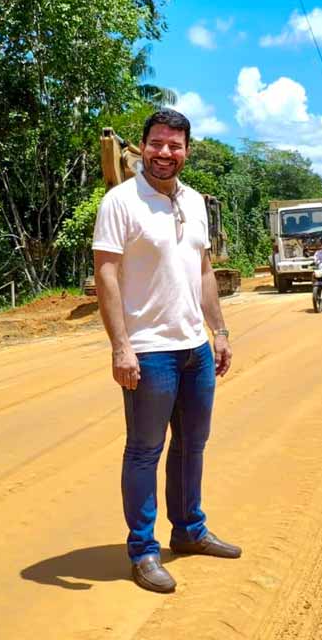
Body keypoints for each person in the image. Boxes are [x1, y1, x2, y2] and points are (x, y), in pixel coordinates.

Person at [92, 109, 239, 595]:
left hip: (195, 347)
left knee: (192, 444)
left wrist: (218, 330)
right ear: (144, 146)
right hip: (149, 351)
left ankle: (190, 530)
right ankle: (144, 550)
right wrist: (121, 346)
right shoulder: (120, 201)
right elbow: (106, 275)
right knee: (144, 450)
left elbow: (202, 271)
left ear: (186, 151)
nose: (165, 153)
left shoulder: (194, 202)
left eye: (175, 145)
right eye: (157, 143)